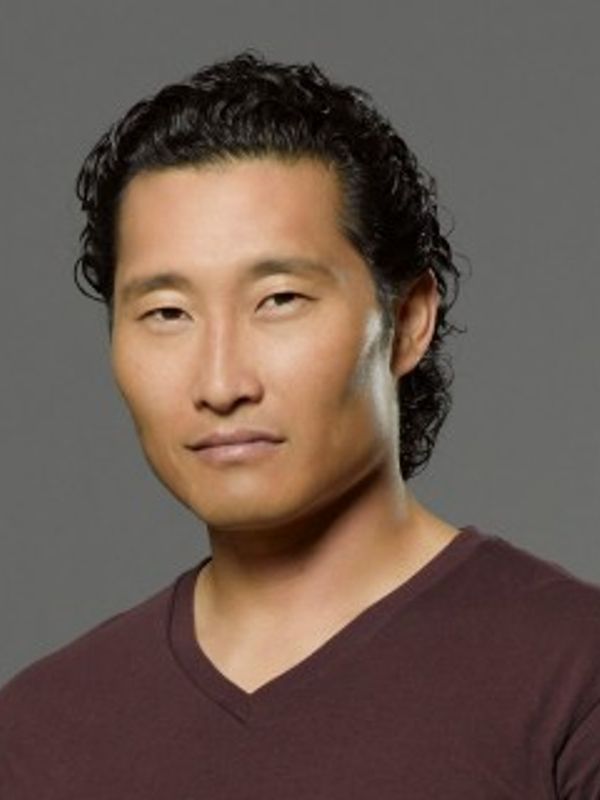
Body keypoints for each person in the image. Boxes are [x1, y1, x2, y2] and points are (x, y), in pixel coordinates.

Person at [1, 49, 599, 798]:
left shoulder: (572, 675)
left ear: (408, 321)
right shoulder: (40, 730)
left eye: (279, 300)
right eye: (167, 313)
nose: (221, 383)